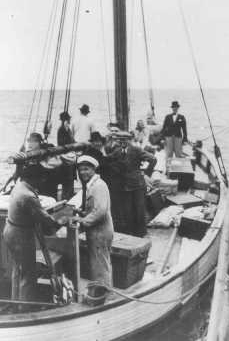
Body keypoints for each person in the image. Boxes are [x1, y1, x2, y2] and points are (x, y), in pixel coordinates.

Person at [3, 165, 65, 309]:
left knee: (17, 270)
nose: (43, 181)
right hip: (21, 235)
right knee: (29, 273)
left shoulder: (19, 186)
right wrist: (60, 223)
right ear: (33, 179)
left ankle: (16, 302)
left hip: (10, 230)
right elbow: (44, 218)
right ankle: (25, 308)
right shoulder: (28, 196)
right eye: (41, 178)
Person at [107, 131, 157, 237]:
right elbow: (108, 159)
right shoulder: (117, 151)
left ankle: (142, 232)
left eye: (125, 139)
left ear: (129, 140)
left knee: (139, 208)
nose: (122, 142)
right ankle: (130, 232)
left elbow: (153, 159)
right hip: (125, 186)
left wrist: (147, 173)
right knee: (128, 210)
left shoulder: (136, 150)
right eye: (120, 140)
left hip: (137, 184)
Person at [74, 155, 113, 287]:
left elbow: (100, 210)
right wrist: (82, 212)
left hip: (100, 232)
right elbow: (95, 208)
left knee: (100, 264)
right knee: (100, 262)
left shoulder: (98, 186)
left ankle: (104, 294)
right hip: (98, 230)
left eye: (86, 169)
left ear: (94, 169)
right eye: (81, 169)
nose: (83, 172)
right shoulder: (93, 184)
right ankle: (102, 290)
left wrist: (82, 220)